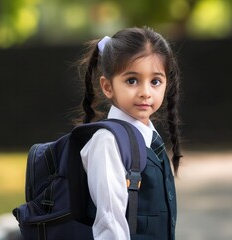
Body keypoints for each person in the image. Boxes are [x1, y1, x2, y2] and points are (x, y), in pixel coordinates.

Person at [77, 26, 182, 240]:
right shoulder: (107, 142)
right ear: (108, 86)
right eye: (132, 80)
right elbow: (109, 224)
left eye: (155, 81)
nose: (145, 92)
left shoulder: (151, 139)